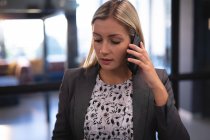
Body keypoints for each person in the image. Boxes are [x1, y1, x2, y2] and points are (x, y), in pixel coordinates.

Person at [52, 0, 190, 140]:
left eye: (115, 41)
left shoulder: (158, 80)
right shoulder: (73, 80)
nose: (103, 50)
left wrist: (156, 86)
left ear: (134, 41)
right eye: (98, 39)